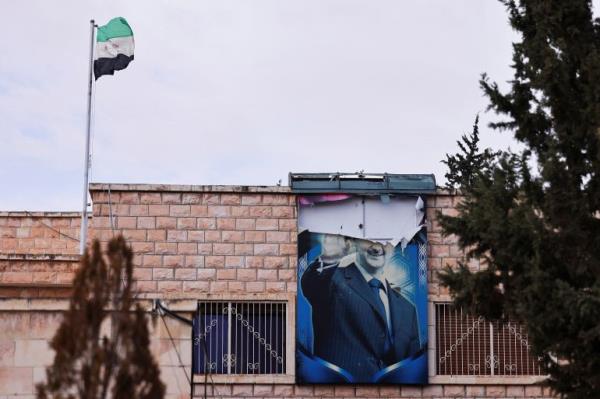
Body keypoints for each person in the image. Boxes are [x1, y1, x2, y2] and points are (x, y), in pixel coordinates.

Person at [301, 237, 420, 382]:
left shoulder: (408, 309)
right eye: (370, 239)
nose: (377, 247)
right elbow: (312, 284)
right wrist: (329, 258)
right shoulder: (332, 281)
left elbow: (411, 369)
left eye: (385, 239)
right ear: (354, 242)